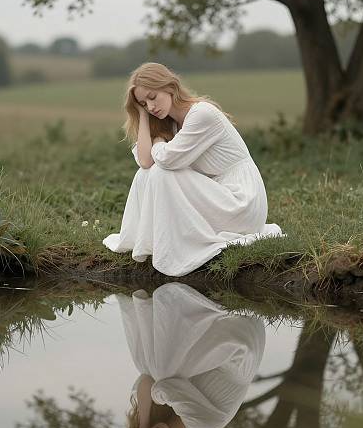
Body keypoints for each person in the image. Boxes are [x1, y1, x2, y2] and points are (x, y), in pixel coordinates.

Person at [102, 62, 286, 277]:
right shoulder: (170, 123)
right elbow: (145, 162)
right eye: (144, 103)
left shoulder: (202, 114)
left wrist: (159, 141)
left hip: (241, 201)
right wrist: (143, 116)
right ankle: (151, 242)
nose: (151, 106)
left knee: (161, 171)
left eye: (152, 97)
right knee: (146, 174)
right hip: (216, 193)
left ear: (170, 87)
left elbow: (167, 160)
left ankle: (174, 247)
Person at [106, 282, 266, 428]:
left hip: (220, 348)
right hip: (240, 348)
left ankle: (174, 308)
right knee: (161, 372)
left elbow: (145, 380)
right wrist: (145, 418)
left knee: (149, 368)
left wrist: (143, 423)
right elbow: (162, 388)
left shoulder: (166, 417)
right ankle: (168, 303)